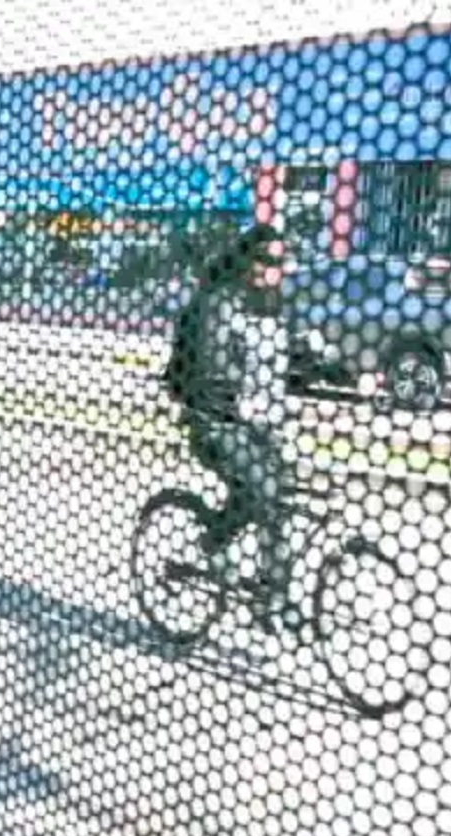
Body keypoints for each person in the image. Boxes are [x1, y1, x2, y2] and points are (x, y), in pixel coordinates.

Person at [167, 222, 296, 628]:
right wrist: (229, 406)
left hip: (258, 426)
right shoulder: (220, 304)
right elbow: (209, 372)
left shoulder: (268, 303)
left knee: (275, 501)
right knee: (267, 494)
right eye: (264, 259)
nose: (272, 269)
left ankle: (255, 578)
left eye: (279, 261)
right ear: (245, 260)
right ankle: (269, 600)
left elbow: (278, 361)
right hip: (217, 426)